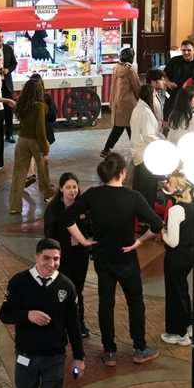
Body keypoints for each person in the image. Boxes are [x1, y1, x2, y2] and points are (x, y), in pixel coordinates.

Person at [64, 153, 162, 366]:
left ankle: (109, 352)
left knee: (106, 304)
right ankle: (139, 349)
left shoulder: (93, 195)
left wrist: (84, 241)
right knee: (135, 302)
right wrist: (140, 241)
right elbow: (157, 224)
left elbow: (67, 216)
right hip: (127, 259)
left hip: (103, 258)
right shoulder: (134, 197)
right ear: (123, 172)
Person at [0, 239, 86, 388]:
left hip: (55, 358)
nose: (51, 263)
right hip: (26, 355)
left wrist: (79, 357)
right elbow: (5, 314)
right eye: (46, 258)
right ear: (36, 257)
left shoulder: (66, 286)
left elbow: (73, 324)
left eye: (56, 259)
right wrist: (27, 315)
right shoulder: (19, 282)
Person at [42, 173, 91, 338]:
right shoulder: (54, 208)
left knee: (78, 289)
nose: (72, 191)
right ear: (61, 188)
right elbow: (49, 235)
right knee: (62, 290)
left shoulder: (82, 206)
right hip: (62, 256)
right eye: (68, 187)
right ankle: (60, 323)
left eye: (75, 187)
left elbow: (90, 227)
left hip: (80, 254)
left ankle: (79, 323)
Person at [160, 172, 194, 346]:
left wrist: (163, 233)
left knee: (175, 294)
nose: (167, 186)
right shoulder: (193, 206)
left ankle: (178, 333)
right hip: (189, 255)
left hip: (176, 257)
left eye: (170, 184)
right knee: (182, 290)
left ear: (177, 187)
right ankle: (189, 324)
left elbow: (173, 242)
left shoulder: (175, 210)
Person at [9, 76, 51, 215]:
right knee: (43, 171)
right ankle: (48, 195)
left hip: (22, 140)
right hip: (35, 142)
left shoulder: (21, 104)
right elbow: (40, 130)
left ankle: (14, 206)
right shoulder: (39, 106)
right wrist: (45, 149)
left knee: (19, 173)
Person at [129, 82, 167, 202]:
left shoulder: (139, 108)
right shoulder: (145, 112)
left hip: (139, 151)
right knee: (147, 189)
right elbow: (148, 135)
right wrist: (162, 142)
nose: (155, 96)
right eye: (154, 94)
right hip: (145, 154)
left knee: (139, 187)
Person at [101, 47, 139, 157]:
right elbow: (136, 86)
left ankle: (107, 149)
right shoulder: (130, 70)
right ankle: (136, 149)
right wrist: (143, 97)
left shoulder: (117, 67)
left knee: (121, 126)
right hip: (128, 103)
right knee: (129, 126)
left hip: (117, 101)